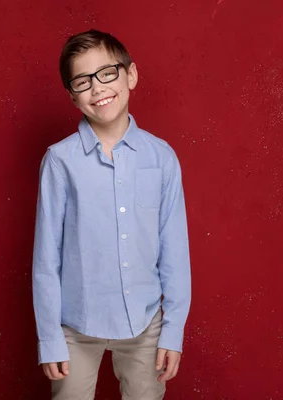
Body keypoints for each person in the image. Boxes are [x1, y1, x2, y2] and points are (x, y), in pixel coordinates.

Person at [32, 29, 191, 400]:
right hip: (75, 324)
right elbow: (46, 258)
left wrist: (173, 330)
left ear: (130, 75)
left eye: (107, 73)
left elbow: (175, 253)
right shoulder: (59, 161)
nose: (97, 88)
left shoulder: (161, 157)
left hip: (144, 322)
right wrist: (49, 337)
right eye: (83, 81)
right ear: (73, 95)